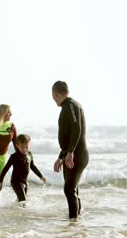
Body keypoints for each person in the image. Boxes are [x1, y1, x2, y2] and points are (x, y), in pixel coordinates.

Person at [52, 80, 89, 219]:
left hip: (77, 154)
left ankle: (73, 224)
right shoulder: (67, 107)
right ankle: (75, 224)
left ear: (55, 94)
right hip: (71, 153)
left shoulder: (71, 105)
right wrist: (61, 156)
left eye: (53, 95)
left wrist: (71, 152)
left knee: (69, 189)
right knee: (72, 189)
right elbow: (68, 137)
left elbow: (76, 128)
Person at [0, 134, 47, 205]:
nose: (24, 149)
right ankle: (23, 215)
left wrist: (41, 176)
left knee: (20, 200)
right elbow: (5, 169)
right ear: (17, 145)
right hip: (16, 182)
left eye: (26, 147)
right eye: (22, 147)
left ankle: (14, 212)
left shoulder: (29, 154)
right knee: (23, 201)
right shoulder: (14, 156)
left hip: (25, 182)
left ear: (29, 145)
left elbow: (32, 166)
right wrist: (0, 181)